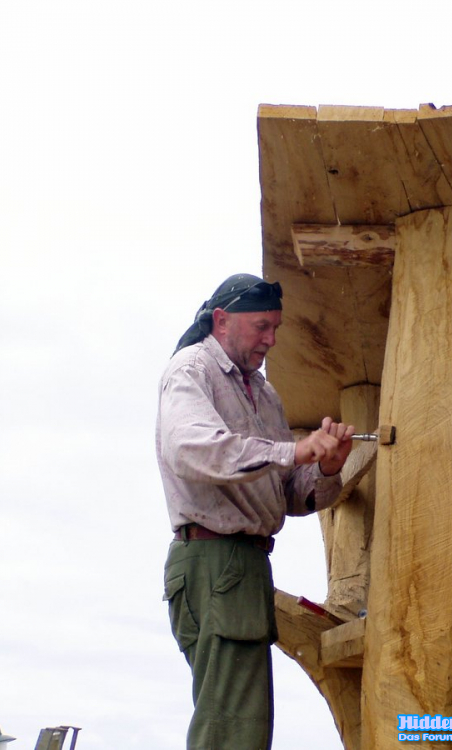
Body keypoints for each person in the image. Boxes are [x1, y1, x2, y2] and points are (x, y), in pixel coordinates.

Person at [156, 273, 354, 750]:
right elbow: (193, 450)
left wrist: (326, 468)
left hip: (241, 566)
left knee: (241, 724)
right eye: (262, 326)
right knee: (232, 730)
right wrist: (294, 451)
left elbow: (286, 492)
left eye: (275, 328)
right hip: (213, 561)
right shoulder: (190, 370)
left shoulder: (263, 393)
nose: (270, 339)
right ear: (221, 321)